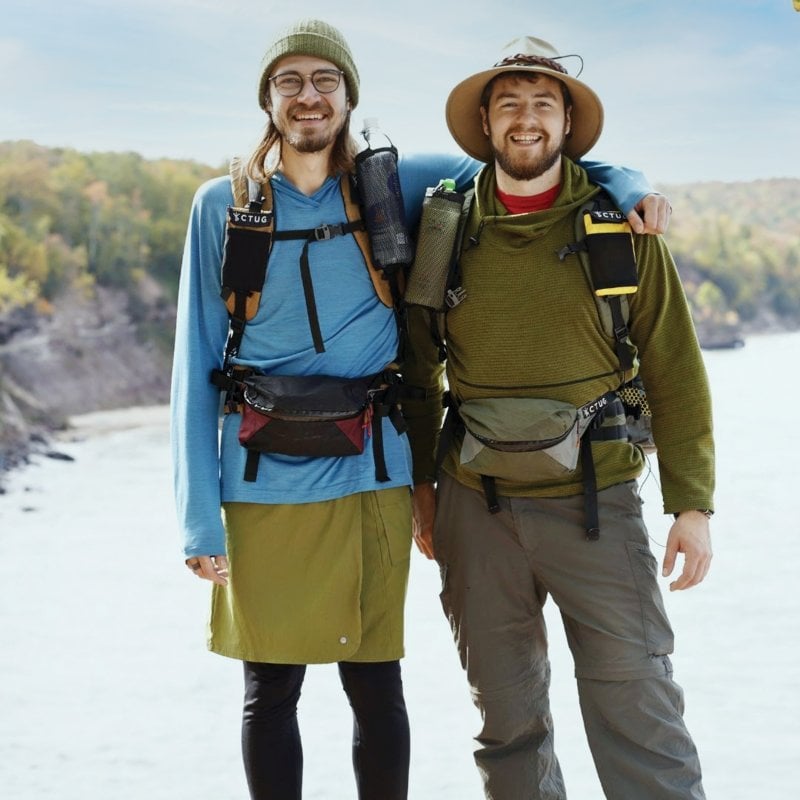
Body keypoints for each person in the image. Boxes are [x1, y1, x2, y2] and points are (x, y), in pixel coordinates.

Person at [170, 19, 672, 800]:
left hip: (374, 471)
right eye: (290, 82)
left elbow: (523, 158)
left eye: (326, 81)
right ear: (267, 100)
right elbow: (192, 366)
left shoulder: (392, 183)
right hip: (260, 479)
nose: (310, 97)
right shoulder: (222, 206)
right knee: (270, 689)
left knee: (375, 684)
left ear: (348, 95)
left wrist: (629, 180)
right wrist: (199, 520)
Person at [404, 35, 714, 800]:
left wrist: (692, 505)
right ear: (484, 123)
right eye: (508, 103)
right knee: (507, 727)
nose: (526, 118)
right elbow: (417, 374)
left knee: (639, 708)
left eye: (545, 103)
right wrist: (420, 491)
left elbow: (675, 368)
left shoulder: (622, 229)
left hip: (598, 506)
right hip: (476, 509)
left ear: (569, 125)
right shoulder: (440, 228)